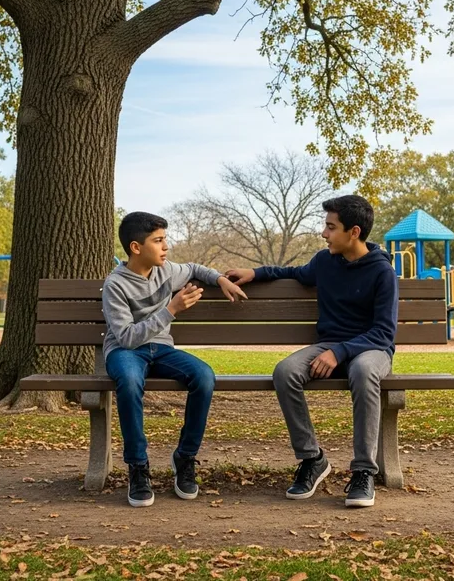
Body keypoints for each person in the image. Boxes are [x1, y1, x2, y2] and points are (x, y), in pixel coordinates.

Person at [226, 194, 397, 508]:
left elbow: (384, 333)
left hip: (371, 349)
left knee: (361, 370)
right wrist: (256, 272)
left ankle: (363, 472)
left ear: (354, 232)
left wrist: (341, 352)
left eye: (331, 227)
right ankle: (312, 459)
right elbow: (294, 273)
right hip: (330, 345)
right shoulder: (324, 262)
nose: (324, 233)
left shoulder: (381, 272)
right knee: (285, 371)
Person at [102, 211, 247, 508]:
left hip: (161, 349)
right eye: (158, 241)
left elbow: (194, 267)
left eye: (165, 239)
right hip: (126, 351)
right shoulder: (116, 285)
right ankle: (138, 467)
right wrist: (171, 310)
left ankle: (185, 457)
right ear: (136, 247)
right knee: (129, 382)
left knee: (204, 376)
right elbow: (128, 337)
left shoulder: (165, 270)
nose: (166, 247)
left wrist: (220, 279)